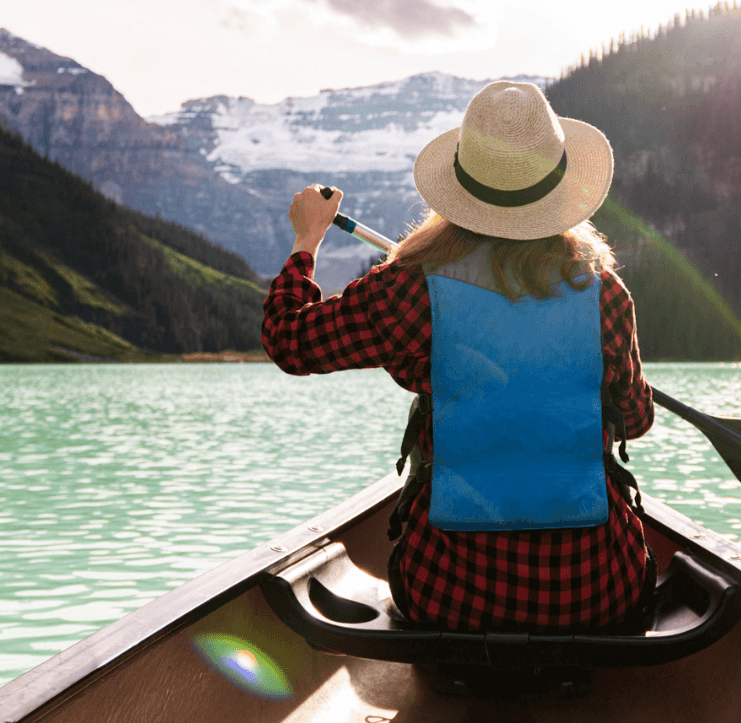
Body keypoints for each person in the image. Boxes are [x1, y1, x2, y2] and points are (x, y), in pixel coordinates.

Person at [261, 80, 655, 633]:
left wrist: (307, 241)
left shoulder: (407, 289)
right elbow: (635, 421)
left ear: (461, 192)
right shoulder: (606, 295)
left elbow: (289, 340)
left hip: (449, 594)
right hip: (597, 590)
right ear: (558, 189)